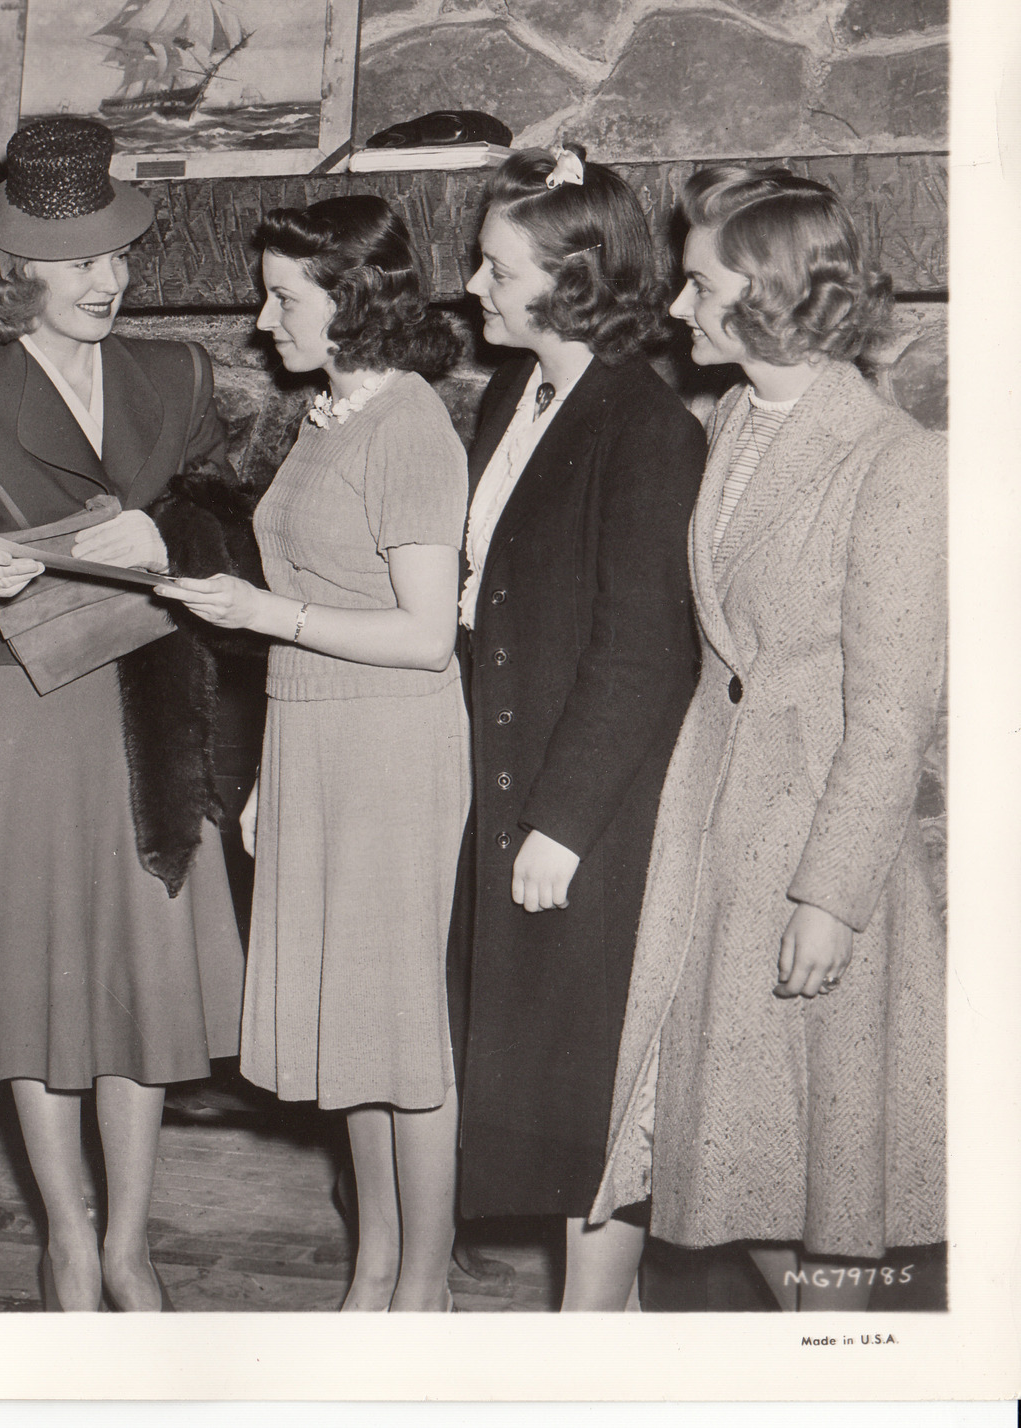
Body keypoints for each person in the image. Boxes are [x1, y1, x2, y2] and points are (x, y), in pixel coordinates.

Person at [0, 117, 247, 1314]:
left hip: (147, 702)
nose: (108, 280)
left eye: (116, 256)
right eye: (79, 260)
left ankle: (130, 1243)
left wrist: (181, 533)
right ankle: (64, 1231)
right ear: (15, 273)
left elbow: (234, 543)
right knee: (37, 992)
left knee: (140, 985)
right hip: (24, 713)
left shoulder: (178, 377)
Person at [589, 165, 946, 1310]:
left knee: (822, 1178)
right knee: (738, 1163)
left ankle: (842, 1380)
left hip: (809, 852)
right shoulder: (731, 417)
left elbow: (892, 712)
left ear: (769, 290)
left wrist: (827, 897)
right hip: (715, 826)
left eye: (698, 284)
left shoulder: (895, 461)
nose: (678, 309)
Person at [157, 196, 469, 1312]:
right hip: (319, 735)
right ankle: (374, 1266)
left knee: (399, 1033)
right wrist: (268, 775)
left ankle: (421, 1290)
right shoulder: (329, 415)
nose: (260, 316)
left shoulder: (412, 426)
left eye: (285, 295)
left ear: (354, 298)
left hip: (390, 744)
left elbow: (426, 635)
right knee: (353, 1028)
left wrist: (258, 614)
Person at [451, 145, 704, 1309]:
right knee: (551, 1086)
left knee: (589, 1076)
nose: (472, 287)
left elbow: (644, 650)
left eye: (496, 269)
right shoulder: (516, 394)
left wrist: (558, 825)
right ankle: (593, 1323)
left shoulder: (646, 428)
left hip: (585, 813)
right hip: (507, 776)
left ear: (572, 276)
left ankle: (598, 1324)